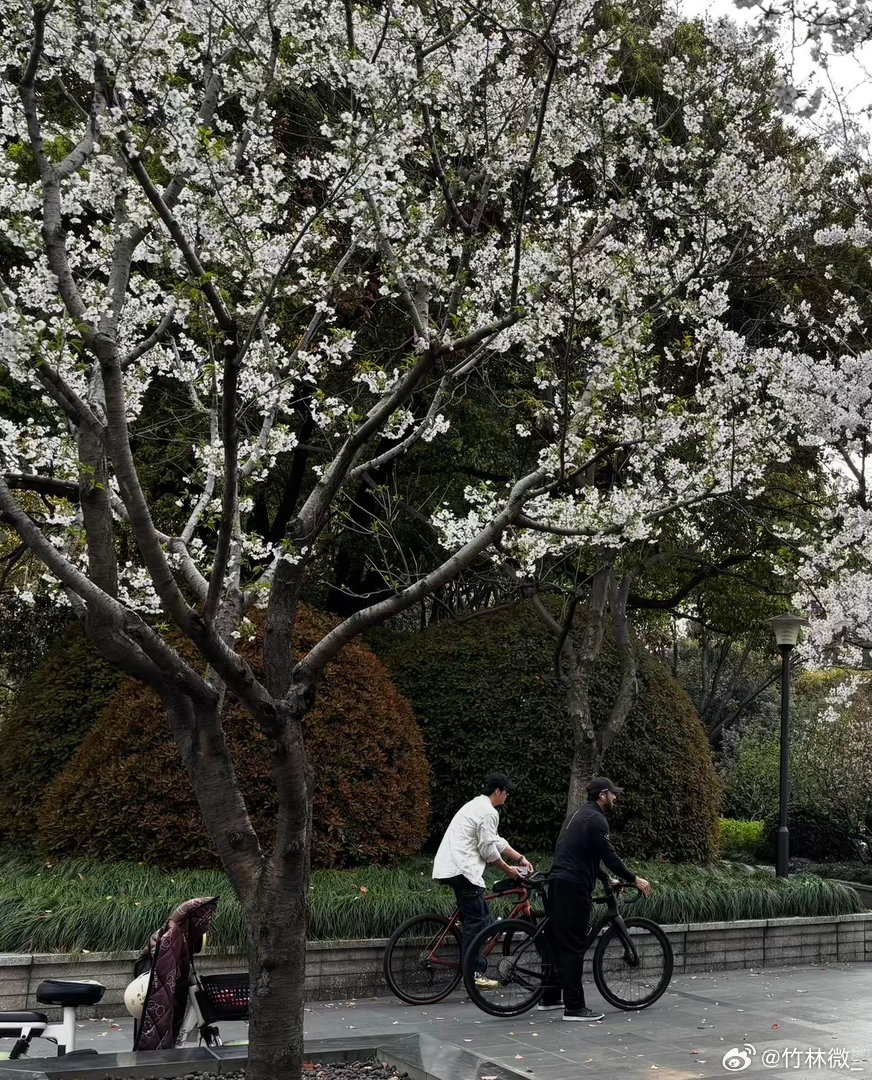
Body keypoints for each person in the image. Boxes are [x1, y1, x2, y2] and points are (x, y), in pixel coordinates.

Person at [541, 777, 652, 1021]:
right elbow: (609, 856)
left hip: (559, 881)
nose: (616, 798)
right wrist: (634, 879)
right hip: (573, 886)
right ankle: (574, 1008)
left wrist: (605, 879)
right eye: (613, 794)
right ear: (603, 795)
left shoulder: (579, 815)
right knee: (573, 946)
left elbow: (587, 855)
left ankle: (549, 997)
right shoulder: (597, 820)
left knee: (557, 942)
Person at [433, 772, 534, 988]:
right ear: (497, 791)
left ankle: (469, 964)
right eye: (506, 792)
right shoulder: (488, 812)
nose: (508, 796)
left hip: (450, 867)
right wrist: (509, 871)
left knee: (475, 917)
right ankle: (474, 973)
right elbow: (488, 851)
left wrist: (520, 858)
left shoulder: (476, 805)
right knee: (480, 922)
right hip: (463, 870)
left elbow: (494, 841)